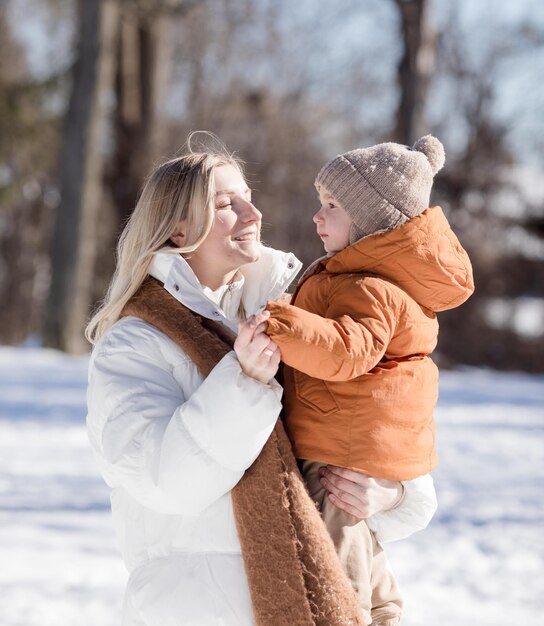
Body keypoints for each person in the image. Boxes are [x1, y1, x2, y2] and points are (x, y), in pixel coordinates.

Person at [85, 135, 439, 626]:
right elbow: (166, 482)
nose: (254, 215)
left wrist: (391, 494)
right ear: (176, 227)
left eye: (250, 198)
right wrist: (245, 380)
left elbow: (383, 414)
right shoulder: (134, 344)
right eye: (228, 204)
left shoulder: (301, 313)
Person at [264, 135, 474, 625]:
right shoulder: (370, 281)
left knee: (333, 587)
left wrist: (280, 323)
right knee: (364, 569)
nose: (318, 216)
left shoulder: (368, 289)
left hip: (336, 452)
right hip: (350, 450)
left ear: (370, 221)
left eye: (332, 205)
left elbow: (347, 351)